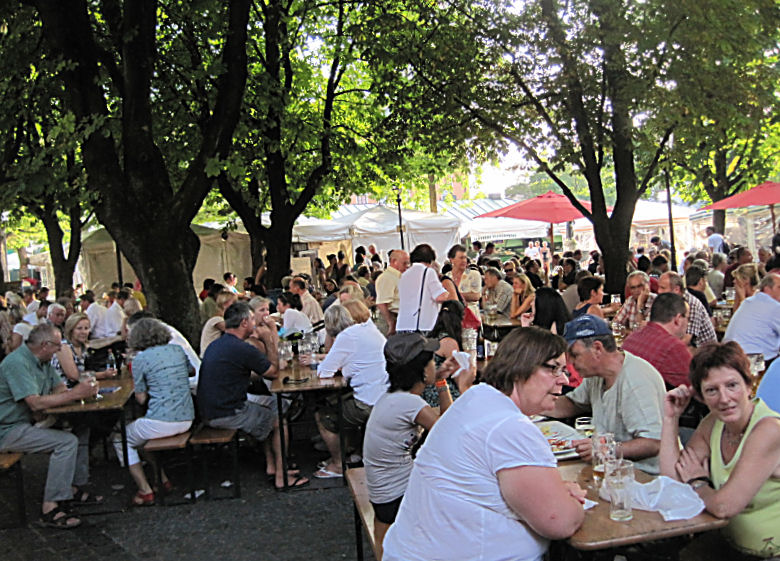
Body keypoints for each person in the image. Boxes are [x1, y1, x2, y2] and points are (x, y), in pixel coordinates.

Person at [382, 327, 586, 561]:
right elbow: (559, 522)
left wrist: (555, 493)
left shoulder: (476, 398)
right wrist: (572, 501)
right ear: (521, 368)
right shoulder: (510, 427)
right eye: (554, 368)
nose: (565, 379)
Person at [660, 342, 780, 559]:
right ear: (701, 398)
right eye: (712, 390)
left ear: (749, 385)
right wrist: (671, 418)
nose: (724, 399)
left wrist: (698, 483)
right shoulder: (712, 423)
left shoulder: (769, 430)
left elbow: (725, 507)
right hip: (729, 545)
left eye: (732, 385)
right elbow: (673, 480)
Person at [0, 323, 100, 529]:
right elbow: (35, 402)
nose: (59, 350)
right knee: (65, 443)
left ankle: (71, 488)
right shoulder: (16, 363)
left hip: (29, 421)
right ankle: (50, 506)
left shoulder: (42, 361)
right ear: (45, 345)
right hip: (7, 429)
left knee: (80, 429)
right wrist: (75, 394)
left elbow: (59, 387)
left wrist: (62, 396)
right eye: (57, 346)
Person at [363, 333, 455, 558]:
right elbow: (450, 431)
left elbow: (442, 423)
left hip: (382, 490)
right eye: (433, 362)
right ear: (423, 371)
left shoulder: (393, 397)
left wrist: (441, 380)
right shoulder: (409, 403)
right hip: (397, 492)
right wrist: (454, 384)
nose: (437, 365)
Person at [198, 302, 305, 490]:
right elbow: (272, 372)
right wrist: (267, 339)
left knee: (270, 407)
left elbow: (243, 372)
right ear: (245, 322)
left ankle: (272, 466)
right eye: (254, 320)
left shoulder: (219, 344)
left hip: (211, 409)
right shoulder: (242, 348)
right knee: (279, 420)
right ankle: (282, 476)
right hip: (226, 413)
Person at [545, 315, 666, 474]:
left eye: (575, 355)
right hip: (611, 469)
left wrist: (606, 449)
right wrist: (532, 404)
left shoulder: (636, 380)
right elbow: (573, 404)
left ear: (597, 349)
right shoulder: (596, 375)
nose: (570, 364)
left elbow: (653, 443)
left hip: (646, 477)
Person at [303, 300, 388, 479]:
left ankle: (337, 465)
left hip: (369, 402)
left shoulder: (347, 337)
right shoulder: (369, 329)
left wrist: (328, 340)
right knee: (340, 401)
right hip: (385, 397)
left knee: (325, 415)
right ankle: (353, 451)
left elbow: (324, 372)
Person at [120, 319, 194, 506]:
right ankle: (161, 478)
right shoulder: (177, 350)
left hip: (162, 422)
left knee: (121, 438)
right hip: (187, 418)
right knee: (141, 437)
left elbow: (141, 399)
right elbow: (190, 371)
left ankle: (145, 490)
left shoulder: (140, 359)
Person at [622, 293, 692, 389]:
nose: (688, 323)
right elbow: (695, 386)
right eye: (688, 318)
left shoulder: (631, 339)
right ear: (678, 319)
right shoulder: (674, 347)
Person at [723, 273, 780, 363]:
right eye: (779, 287)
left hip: (728, 356)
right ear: (767, 289)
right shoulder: (774, 307)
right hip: (754, 361)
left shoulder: (748, 302)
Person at [52, 313, 117, 386]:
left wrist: (105, 373)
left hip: (79, 389)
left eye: (86, 328)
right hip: (64, 391)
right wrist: (103, 375)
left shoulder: (83, 347)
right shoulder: (63, 347)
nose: (83, 332)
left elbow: (85, 373)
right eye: (79, 328)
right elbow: (74, 376)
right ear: (71, 330)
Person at [396, 244, 449, 333]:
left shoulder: (404, 275)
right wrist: (448, 292)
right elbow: (440, 296)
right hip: (423, 325)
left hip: (402, 325)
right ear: (431, 260)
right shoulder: (428, 272)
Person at [658, 271, 717, 347]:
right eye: (659, 287)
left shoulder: (691, 304)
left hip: (704, 351)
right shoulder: (668, 301)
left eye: (663, 288)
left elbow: (686, 340)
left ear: (676, 289)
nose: (659, 291)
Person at [375, 249, 410, 336]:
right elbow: (381, 303)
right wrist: (391, 323)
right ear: (394, 262)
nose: (407, 266)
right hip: (391, 318)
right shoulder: (386, 277)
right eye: (404, 263)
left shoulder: (397, 276)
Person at [445, 244, 481, 315]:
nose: (464, 260)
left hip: (471, 316)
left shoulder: (474, 274)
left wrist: (454, 295)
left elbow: (476, 296)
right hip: (453, 316)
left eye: (465, 258)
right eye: (461, 258)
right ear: (452, 260)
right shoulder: (447, 276)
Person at [199, 290, 237, 356]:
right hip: (208, 356)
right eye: (234, 303)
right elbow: (233, 330)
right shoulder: (217, 320)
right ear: (224, 304)